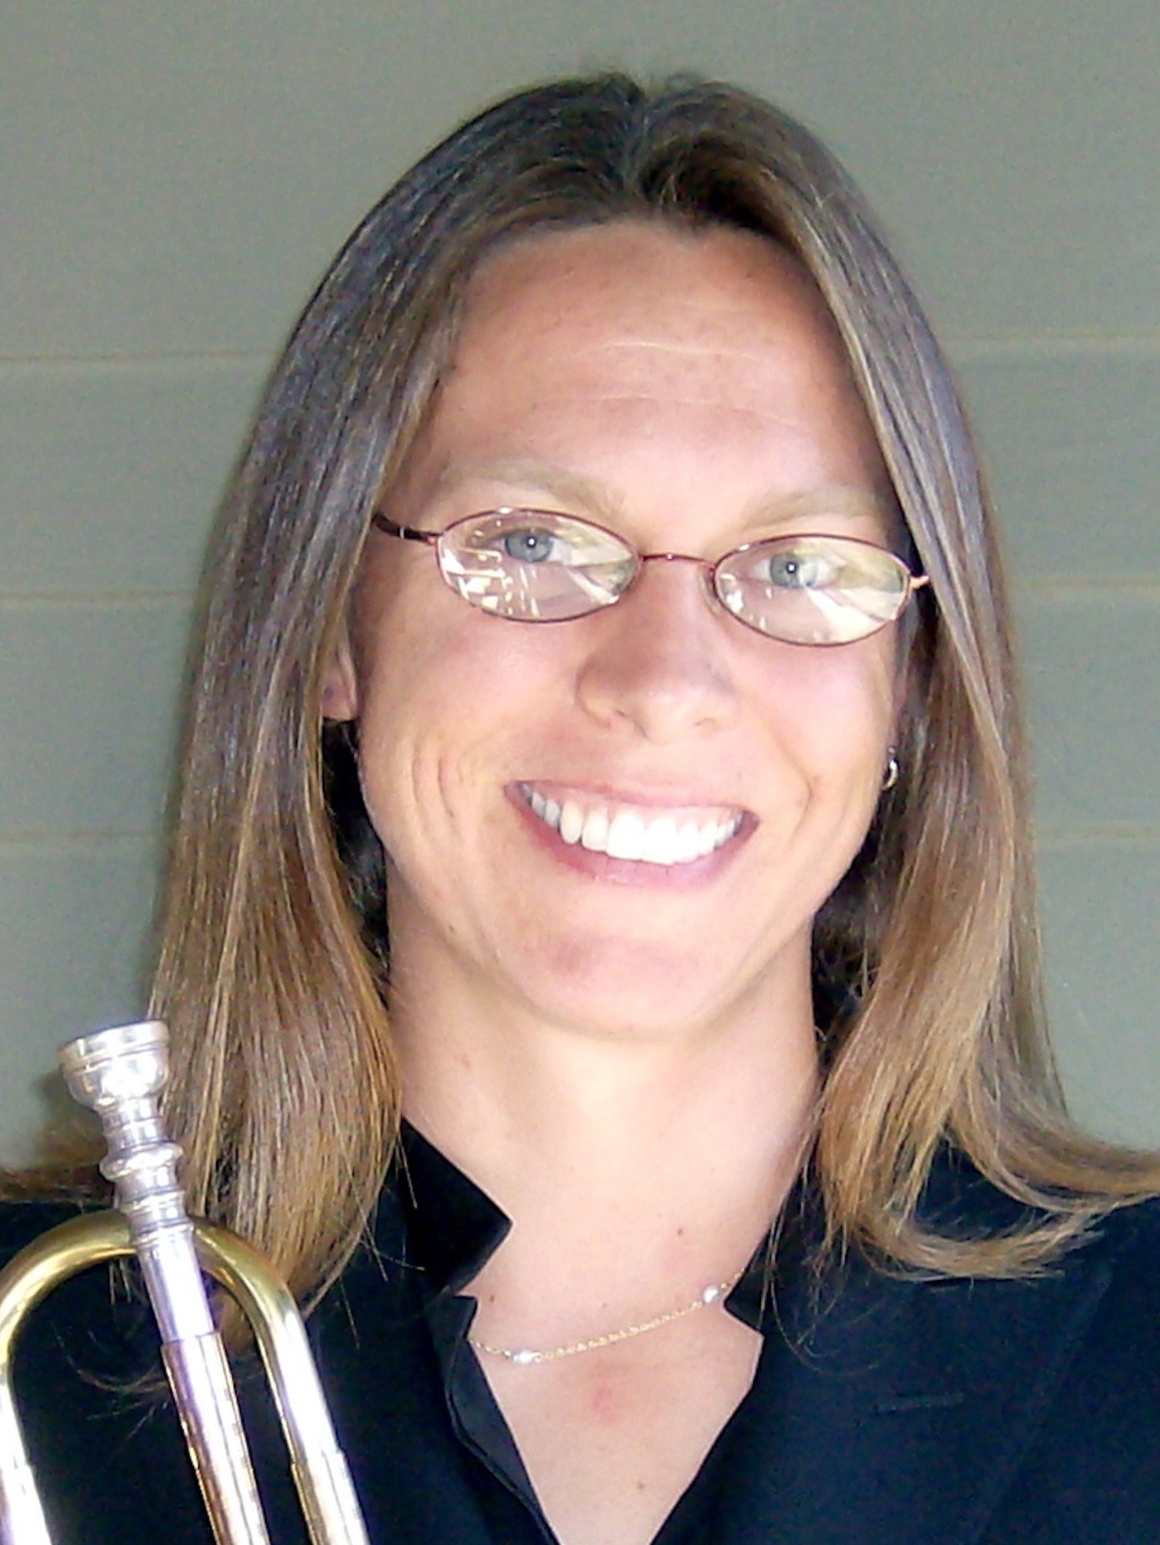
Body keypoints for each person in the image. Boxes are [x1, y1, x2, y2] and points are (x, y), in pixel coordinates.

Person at [2, 72, 1159, 1545]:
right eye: (534, 541)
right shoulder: (39, 1379)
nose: (665, 679)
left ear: (912, 688)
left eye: (798, 565)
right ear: (332, 636)